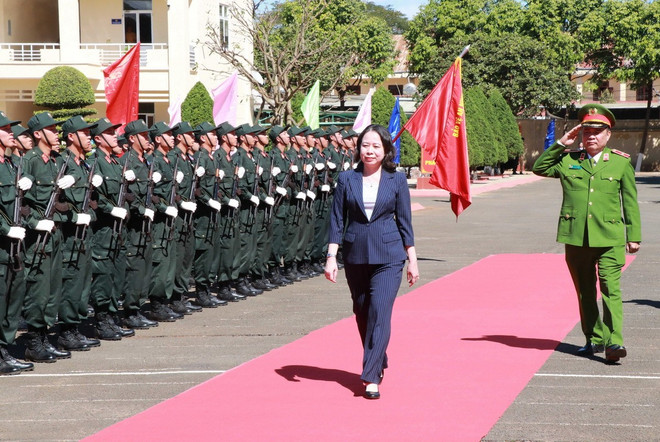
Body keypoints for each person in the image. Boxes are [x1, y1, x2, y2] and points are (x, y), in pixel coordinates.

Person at [532, 104, 641, 364]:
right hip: (577, 238)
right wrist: (561, 142)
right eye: (586, 132)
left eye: (597, 132)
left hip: (610, 237)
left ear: (608, 135)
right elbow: (539, 167)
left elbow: (630, 201)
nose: (591, 136)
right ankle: (594, 338)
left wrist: (633, 235)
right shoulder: (569, 160)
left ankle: (615, 341)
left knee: (610, 288)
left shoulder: (620, 162)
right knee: (584, 291)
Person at [324, 124, 419, 399]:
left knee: (380, 311)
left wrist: (412, 260)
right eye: (366, 145)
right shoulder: (346, 179)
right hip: (355, 255)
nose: (370, 150)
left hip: (389, 256)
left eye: (377, 146)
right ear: (359, 148)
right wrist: (332, 256)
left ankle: (371, 375)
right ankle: (379, 355)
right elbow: (337, 220)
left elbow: (405, 222)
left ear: (386, 150)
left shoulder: (396, 180)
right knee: (362, 311)